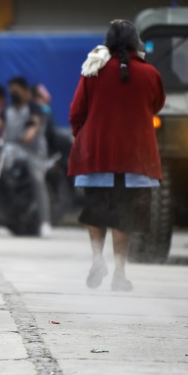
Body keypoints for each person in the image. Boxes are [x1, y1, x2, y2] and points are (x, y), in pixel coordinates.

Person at [69, 19, 165, 292]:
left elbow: (76, 112)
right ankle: (120, 272)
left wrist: (83, 138)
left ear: (108, 42)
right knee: (126, 215)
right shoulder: (150, 73)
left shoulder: (93, 69)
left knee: (96, 210)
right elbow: (156, 106)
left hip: (97, 154)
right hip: (136, 158)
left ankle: (98, 259)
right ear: (136, 42)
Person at [0, 76, 52, 237]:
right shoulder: (7, 110)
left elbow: (36, 123)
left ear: (25, 91)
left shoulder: (33, 107)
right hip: (12, 152)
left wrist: (30, 133)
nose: (13, 93)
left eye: (16, 90)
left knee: (37, 180)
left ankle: (45, 222)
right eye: (11, 90)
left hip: (33, 153)